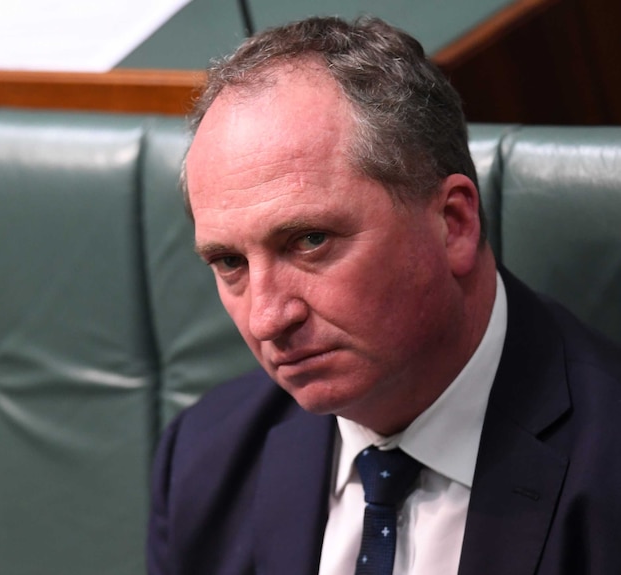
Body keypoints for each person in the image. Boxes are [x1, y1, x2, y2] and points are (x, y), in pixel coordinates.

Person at [147, 15, 621, 575]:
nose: (268, 317)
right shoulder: (206, 458)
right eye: (230, 262)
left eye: (310, 240)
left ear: (454, 224)